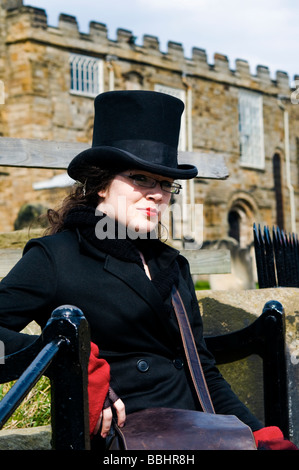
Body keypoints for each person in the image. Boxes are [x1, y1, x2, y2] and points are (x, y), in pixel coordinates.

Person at [0, 91, 297, 450]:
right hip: (124, 441)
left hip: (196, 433)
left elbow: (202, 370)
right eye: (141, 178)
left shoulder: (172, 264)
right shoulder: (56, 257)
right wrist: (70, 362)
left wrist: (259, 434)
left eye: (166, 184)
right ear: (101, 184)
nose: (157, 194)